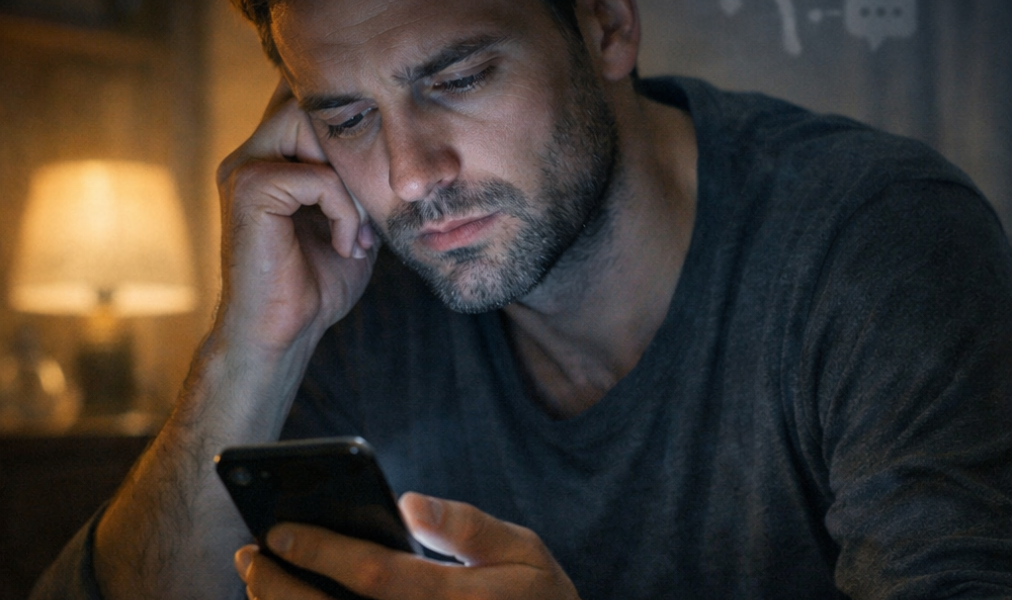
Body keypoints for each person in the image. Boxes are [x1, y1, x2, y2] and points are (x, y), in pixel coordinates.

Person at [31, 0, 1012, 598]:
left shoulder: (876, 238)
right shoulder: (356, 287)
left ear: (605, 25)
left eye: (457, 78)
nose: (410, 175)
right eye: (347, 117)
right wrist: (253, 345)